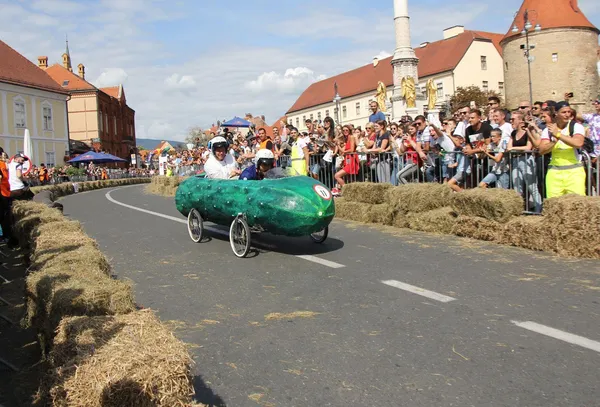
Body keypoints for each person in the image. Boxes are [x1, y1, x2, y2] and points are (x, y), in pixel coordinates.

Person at [539, 101, 586, 198]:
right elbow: (542, 150)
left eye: (569, 112)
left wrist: (559, 135)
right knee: (553, 205)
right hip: (554, 173)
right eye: (564, 112)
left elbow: (578, 143)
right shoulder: (548, 130)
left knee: (577, 204)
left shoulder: (576, 126)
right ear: (556, 113)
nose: (567, 115)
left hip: (574, 173)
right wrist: (553, 142)